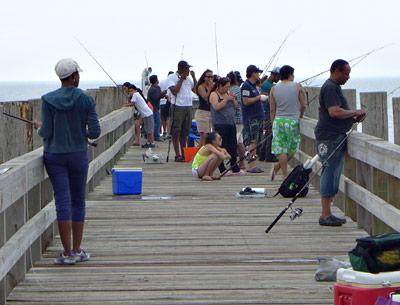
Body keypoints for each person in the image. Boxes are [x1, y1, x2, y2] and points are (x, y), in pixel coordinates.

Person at [34, 58, 100, 265]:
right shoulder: (86, 100)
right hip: (78, 154)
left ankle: (67, 252)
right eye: (77, 74)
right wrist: (83, 132)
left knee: (62, 201)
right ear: (73, 77)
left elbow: (46, 132)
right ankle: (78, 250)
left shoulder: (48, 99)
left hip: (54, 156)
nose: (79, 77)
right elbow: (95, 131)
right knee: (78, 201)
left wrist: (38, 126)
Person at [315, 59, 366, 226]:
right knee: (329, 172)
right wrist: (355, 111)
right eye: (346, 73)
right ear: (336, 71)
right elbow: (334, 112)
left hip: (334, 135)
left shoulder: (334, 87)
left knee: (334, 173)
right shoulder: (330, 87)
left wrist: (352, 117)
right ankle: (325, 215)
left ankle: (328, 213)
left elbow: (338, 113)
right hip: (329, 137)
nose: (348, 77)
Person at [270, 65, 306, 180]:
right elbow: (303, 105)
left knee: (281, 149)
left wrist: (272, 122)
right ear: (290, 74)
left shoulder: (274, 89)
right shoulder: (297, 87)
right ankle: (285, 174)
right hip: (293, 121)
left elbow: (272, 108)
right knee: (292, 148)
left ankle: (280, 168)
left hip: (279, 120)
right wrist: (300, 115)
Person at [210, 77, 245, 176]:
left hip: (231, 123)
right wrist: (226, 99)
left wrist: (233, 99)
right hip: (220, 124)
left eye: (229, 87)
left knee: (233, 146)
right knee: (221, 146)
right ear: (220, 86)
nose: (227, 89)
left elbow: (236, 107)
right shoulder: (214, 94)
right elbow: (216, 107)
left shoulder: (228, 94)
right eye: (226, 87)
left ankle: (235, 167)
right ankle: (222, 168)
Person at [167, 60, 198, 162]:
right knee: (176, 131)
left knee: (185, 132)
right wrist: (181, 80)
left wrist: (193, 77)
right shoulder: (172, 78)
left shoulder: (188, 79)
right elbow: (174, 91)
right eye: (187, 69)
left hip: (188, 106)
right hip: (177, 106)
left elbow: (195, 90)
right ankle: (177, 154)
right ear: (181, 69)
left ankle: (184, 153)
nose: (188, 71)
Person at [241, 65, 268, 173]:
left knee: (256, 141)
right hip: (251, 119)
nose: (259, 75)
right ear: (252, 73)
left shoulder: (253, 86)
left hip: (258, 117)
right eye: (257, 73)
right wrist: (259, 97)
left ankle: (253, 164)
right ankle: (251, 166)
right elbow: (245, 101)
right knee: (252, 141)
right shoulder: (246, 86)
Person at [259, 67, 281, 162]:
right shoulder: (270, 86)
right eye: (279, 76)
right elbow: (271, 100)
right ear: (274, 75)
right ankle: (269, 155)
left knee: (266, 133)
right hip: (268, 112)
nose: (279, 79)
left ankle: (262, 154)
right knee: (270, 133)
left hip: (264, 111)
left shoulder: (266, 84)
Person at [126, 84, 155, 148]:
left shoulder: (135, 95)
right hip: (146, 114)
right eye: (129, 91)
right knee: (148, 130)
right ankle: (149, 142)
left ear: (134, 90)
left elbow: (132, 103)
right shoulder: (137, 94)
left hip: (147, 114)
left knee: (149, 130)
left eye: (131, 91)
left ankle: (151, 143)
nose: (130, 92)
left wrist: (125, 105)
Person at [227, 71, 245, 169]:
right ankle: (242, 163)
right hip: (240, 118)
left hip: (235, 119)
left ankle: (234, 163)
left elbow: (234, 104)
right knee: (240, 141)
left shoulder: (231, 90)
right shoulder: (238, 89)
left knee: (234, 141)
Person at [194, 69, 214, 147]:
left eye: (211, 77)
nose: (210, 78)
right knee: (204, 135)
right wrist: (209, 88)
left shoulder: (213, 85)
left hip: (210, 112)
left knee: (208, 135)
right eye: (208, 76)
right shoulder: (200, 86)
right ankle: (200, 154)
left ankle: (204, 153)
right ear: (204, 77)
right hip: (202, 112)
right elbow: (205, 97)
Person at [148, 75, 166, 141]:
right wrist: (163, 94)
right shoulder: (153, 89)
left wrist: (164, 93)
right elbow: (156, 98)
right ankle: (156, 136)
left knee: (157, 122)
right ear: (156, 80)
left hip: (156, 107)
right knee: (157, 122)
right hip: (153, 108)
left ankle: (156, 135)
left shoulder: (156, 87)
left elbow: (159, 95)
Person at [160, 71, 174, 137]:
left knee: (163, 118)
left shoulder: (162, 82)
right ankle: (169, 132)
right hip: (169, 102)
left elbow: (159, 91)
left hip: (161, 102)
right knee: (169, 118)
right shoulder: (172, 83)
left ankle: (164, 131)